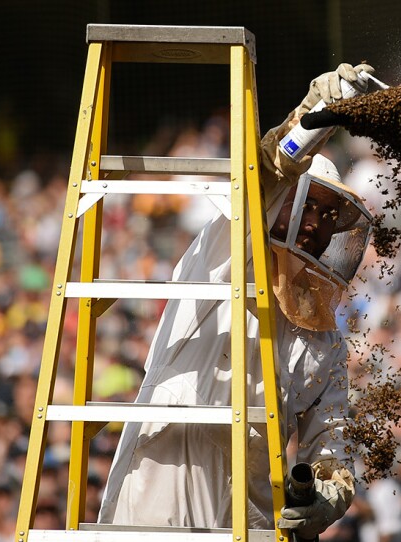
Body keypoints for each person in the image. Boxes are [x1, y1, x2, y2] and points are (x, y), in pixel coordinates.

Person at [98, 63, 377, 540]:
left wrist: (330, 493)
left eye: (330, 215)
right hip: (169, 460)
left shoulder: (325, 338)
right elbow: (268, 167)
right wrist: (317, 114)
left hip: (252, 498)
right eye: (308, 204)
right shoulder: (228, 248)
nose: (317, 223)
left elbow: (331, 437)